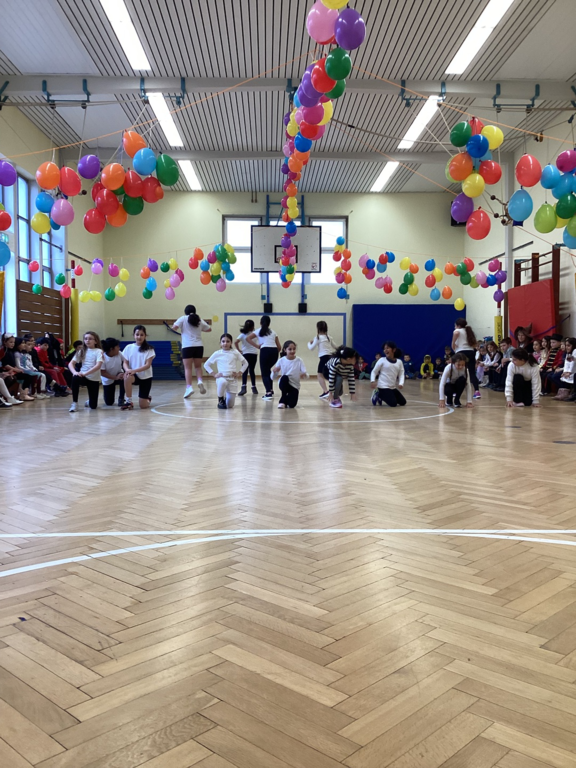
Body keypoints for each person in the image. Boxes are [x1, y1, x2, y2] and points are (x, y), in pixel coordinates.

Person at [172, 305, 211, 398]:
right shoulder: (199, 319)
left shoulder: (183, 318)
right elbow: (209, 329)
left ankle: (189, 387)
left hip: (187, 346)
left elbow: (174, 327)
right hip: (199, 346)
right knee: (198, 367)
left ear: (185, 311)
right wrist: (199, 329)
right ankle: (200, 381)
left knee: (188, 368)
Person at [204, 333, 248, 410]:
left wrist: (239, 373)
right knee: (222, 382)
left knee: (230, 405)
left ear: (231, 343)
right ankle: (220, 400)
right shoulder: (217, 353)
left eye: (228, 341)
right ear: (220, 343)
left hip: (232, 380)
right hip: (221, 378)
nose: (225, 343)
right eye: (223, 341)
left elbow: (245, 363)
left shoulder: (235, 352)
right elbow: (206, 365)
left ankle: (226, 397)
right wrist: (214, 374)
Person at [68, 331, 104, 412]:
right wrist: (74, 372)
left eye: (90, 339)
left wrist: (85, 373)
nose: (87, 340)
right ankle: (75, 403)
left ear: (95, 341)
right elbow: (71, 363)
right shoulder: (81, 351)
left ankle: (90, 402)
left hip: (93, 379)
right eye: (86, 339)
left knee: (93, 406)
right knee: (75, 378)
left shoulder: (99, 351)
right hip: (83, 377)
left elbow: (98, 366)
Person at [121, 325, 155, 410]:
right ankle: (128, 401)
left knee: (143, 406)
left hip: (146, 377)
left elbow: (147, 365)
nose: (139, 337)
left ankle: (147, 398)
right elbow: (125, 362)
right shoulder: (128, 347)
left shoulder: (149, 349)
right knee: (127, 376)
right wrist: (127, 370)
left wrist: (134, 370)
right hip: (134, 376)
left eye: (141, 335)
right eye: (137, 334)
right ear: (134, 335)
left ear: (145, 336)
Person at [247, 315, 281, 401]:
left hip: (265, 351)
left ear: (260, 322)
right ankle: (271, 389)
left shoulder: (258, 331)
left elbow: (248, 338)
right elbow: (279, 347)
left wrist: (257, 346)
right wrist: (275, 352)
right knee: (268, 371)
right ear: (269, 323)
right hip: (274, 351)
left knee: (264, 373)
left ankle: (268, 393)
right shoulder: (273, 332)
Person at [271, 340, 308, 409]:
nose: (292, 351)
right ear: (285, 350)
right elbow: (272, 377)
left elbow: (306, 374)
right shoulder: (281, 360)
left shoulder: (299, 360)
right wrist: (274, 372)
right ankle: (282, 401)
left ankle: (286, 400)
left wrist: (304, 375)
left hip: (294, 386)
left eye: (294, 349)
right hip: (284, 383)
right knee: (285, 378)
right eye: (290, 349)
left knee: (291, 405)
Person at [1, 333, 36, 400]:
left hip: (12, 370)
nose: (12, 344)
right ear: (5, 342)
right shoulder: (4, 351)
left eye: (13, 342)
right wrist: (15, 369)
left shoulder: (11, 351)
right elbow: (5, 364)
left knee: (28, 376)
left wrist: (16, 369)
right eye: (10, 342)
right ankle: (7, 395)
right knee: (11, 379)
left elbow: (12, 363)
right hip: (6, 371)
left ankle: (24, 394)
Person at [371, 341, 406, 407]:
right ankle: (378, 394)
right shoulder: (381, 360)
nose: (385, 350)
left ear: (394, 350)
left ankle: (385, 396)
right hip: (383, 387)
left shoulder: (399, 362)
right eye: (384, 349)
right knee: (393, 404)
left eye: (387, 348)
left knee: (403, 402)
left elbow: (401, 374)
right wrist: (372, 381)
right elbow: (374, 371)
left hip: (392, 387)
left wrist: (401, 383)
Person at [452, 318, 480, 398]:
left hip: (461, 352)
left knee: (457, 371)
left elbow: (456, 332)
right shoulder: (468, 331)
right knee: (471, 372)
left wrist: (453, 344)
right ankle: (477, 391)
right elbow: (474, 344)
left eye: (455, 325)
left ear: (458, 325)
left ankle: (455, 391)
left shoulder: (457, 330)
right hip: (470, 352)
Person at [308, 321, 337, 398]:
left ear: (318, 328)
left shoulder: (317, 338)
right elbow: (335, 347)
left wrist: (309, 343)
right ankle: (332, 390)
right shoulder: (329, 337)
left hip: (324, 358)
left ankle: (326, 391)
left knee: (319, 375)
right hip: (331, 357)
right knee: (330, 374)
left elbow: (311, 348)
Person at [235, 319, 259, 396]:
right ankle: (254, 387)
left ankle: (243, 387)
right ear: (253, 327)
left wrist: (239, 350)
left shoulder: (242, 334)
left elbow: (235, 342)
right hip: (254, 354)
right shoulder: (254, 334)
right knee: (252, 370)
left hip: (245, 354)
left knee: (244, 370)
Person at [101, 338, 126, 407]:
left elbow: (126, 362)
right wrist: (115, 377)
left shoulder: (119, 354)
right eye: (117, 347)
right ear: (111, 349)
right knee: (109, 403)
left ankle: (121, 398)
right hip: (108, 379)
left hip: (119, 374)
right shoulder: (102, 357)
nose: (119, 348)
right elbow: (102, 372)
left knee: (125, 378)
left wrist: (125, 372)